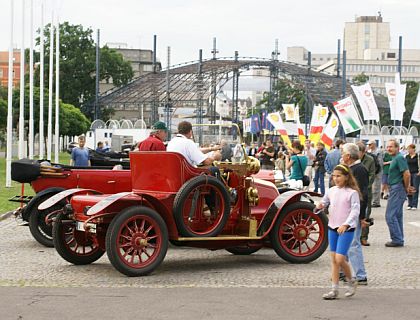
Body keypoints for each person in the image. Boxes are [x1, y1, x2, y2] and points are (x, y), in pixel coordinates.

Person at [316, 164, 360, 300]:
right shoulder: (331, 190)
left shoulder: (352, 193)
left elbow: (355, 211)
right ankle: (334, 289)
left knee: (340, 258)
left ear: (346, 177)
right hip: (332, 227)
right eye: (334, 176)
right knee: (334, 260)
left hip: (346, 229)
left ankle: (351, 280)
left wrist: (346, 224)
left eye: (339, 176)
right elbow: (324, 202)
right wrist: (319, 206)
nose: (335, 178)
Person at [341, 143, 369, 285]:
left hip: (354, 212)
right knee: (344, 242)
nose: (341, 155)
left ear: (348, 156)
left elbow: (363, 193)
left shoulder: (360, 169)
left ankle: (361, 275)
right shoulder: (351, 168)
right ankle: (342, 271)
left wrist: (361, 215)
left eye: (343, 153)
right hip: (345, 211)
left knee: (353, 243)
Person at [385, 139, 411, 247]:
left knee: (390, 216)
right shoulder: (395, 158)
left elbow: (407, 174)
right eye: (388, 147)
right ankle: (399, 238)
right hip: (396, 188)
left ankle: (397, 239)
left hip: (397, 188)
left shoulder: (399, 158)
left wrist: (406, 187)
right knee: (397, 215)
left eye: (391, 147)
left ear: (397, 148)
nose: (389, 149)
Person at [357, 141, 375, 246]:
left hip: (366, 190)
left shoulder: (370, 160)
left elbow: (372, 175)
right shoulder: (354, 159)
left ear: (364, 152)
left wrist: (364, 186)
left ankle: (364, 237)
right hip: (355, 190)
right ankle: (354, 235)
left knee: (366, 214)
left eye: (359, 152)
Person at [367, 140, 383, 208]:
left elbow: (380, 162)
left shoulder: (378, 151)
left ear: (374, 144)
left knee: (376, 186)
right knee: (372, 186)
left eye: (370, 144)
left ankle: (376, 202)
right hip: (371, 171)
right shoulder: (369, 152)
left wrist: (377, 171)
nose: (369, 146)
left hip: (377, 171)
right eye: (368, 144)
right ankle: (373, 201)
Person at [405, 144, 420, 210]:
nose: (409, 150)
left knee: (415, 188)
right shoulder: (407, 156)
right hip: (408, 173)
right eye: (408, 149)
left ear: (413, 149)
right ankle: (409, 204)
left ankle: (414, 204)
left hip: (416, 173)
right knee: (409, 188)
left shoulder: (417, 156)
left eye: (410, 149)